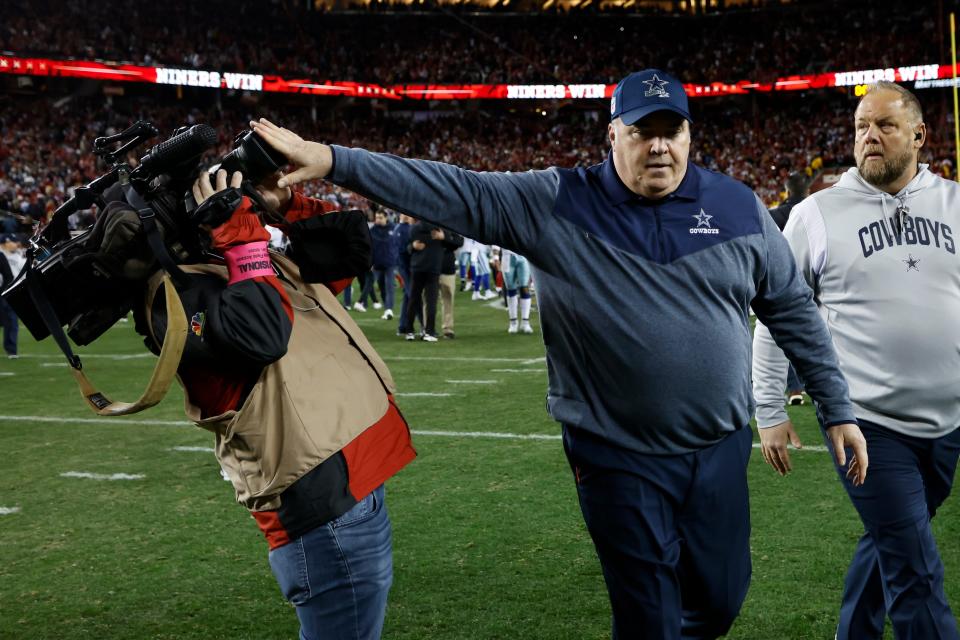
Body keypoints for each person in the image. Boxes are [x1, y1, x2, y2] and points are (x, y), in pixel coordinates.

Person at [249, 67, 866, 639]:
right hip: (615, 454)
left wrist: (835, 405)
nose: (658, 147)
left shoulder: (737, 206)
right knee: (648, 614)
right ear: (612, 135)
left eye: (670, 131)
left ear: (688, 133)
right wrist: (333, 160)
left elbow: (789, 306)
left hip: (718, 447)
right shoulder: (556, 202)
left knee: (722, 597)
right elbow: (451, 189)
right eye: (640, 132)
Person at [129, 168, 416, 640]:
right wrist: (240, 236)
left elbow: (347, 256)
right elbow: (263, 335)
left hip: (350, 479)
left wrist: (282, 202)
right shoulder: (174, 297)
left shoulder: (241, 261)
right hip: (321, 499)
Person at [753, 81, 960, 640]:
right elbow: (776, 314)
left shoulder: (955, 204)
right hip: (864, 423)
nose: (869, 137)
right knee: (916, 571)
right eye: (861, 127)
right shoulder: (816, 214)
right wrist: (769, 409)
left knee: (894, 538)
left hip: (947, 423)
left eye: (885, 126)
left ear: (919, 135)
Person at [767, 172, 810, 405]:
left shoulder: (774, 215)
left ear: (787, 190)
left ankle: (794, 389)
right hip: (818, 281)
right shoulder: (819, 211)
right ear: (807, 191)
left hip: (783, 282)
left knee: (785, 336)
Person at [400, 218, 445, 342]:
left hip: (418, 267)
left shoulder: (415, 228)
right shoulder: (439, 227)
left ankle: (409, 331)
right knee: (431, 301)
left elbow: (408, 247)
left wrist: (413, 246)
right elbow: (456, 241)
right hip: (432, 268)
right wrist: (443, 237)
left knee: (414, 299)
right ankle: (429, 332)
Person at [0, 234, 24, 358]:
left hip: (9, 292)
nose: (17, 244)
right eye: (14, 242)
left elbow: (18, 275)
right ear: (6, 243)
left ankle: (11, 349)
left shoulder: (19, 257)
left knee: (11, 321)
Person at [437, 228, 464, 339]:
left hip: (447, 267)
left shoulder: (449, 226)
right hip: (430, 266)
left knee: (448, 298)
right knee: (428, 299)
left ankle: (448, 328)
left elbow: (459, 241)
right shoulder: (426, 224)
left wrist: (444, 238)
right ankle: (427, 328)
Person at [501, 247, 534, 334]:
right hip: (507, 256)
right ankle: (513, 322)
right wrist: (495, 256)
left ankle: (525, 322)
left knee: (525, 287)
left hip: (523, 256)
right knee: (511, 288)